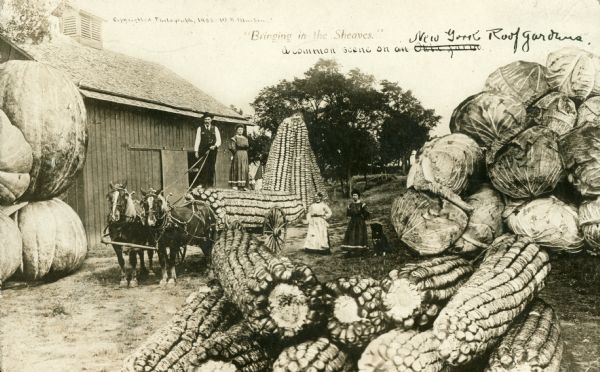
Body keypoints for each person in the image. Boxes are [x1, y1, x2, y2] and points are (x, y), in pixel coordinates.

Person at [193, 114, 221, 188]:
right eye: (205, 119)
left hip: (212, 150)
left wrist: (214, 146)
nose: (207, 121)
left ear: (211, 120)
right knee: (202, 166)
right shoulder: (200, 128)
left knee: (211, 166)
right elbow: (197, 140)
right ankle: (201, 183)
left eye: (208, 119)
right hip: (202, 150)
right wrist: (196, 151)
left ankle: (210, 184)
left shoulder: (215, 128)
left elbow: (219, 140)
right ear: (203, 120)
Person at [228, 124, 249, 190]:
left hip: (245, 154)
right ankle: (235, 185)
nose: (240, 131)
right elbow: (232, 147)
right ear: (236, 130)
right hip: (238, 153)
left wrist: (244, 152)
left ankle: (243, 185)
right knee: (237, 167)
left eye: (241, 130)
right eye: (239, 129)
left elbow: (247, 146)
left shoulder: (245, 138)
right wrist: (236, 154)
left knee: (244, 168)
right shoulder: (234, 138)